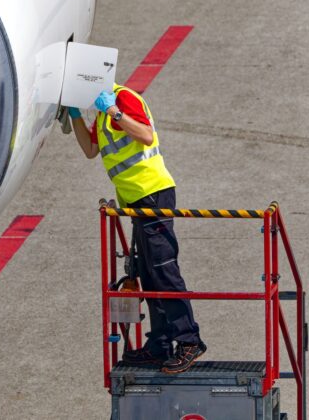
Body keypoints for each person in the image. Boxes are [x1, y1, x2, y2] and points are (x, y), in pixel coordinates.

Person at [68, 84, 206, 374]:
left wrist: (114, 111)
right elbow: (90, 150)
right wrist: (74, 116)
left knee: (163, 269)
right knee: (147, 272)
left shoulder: (121, 99)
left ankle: (189, 341)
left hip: (153, 194)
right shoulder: (104, 116)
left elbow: (145, 135)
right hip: (135, 202)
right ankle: (160, 344)